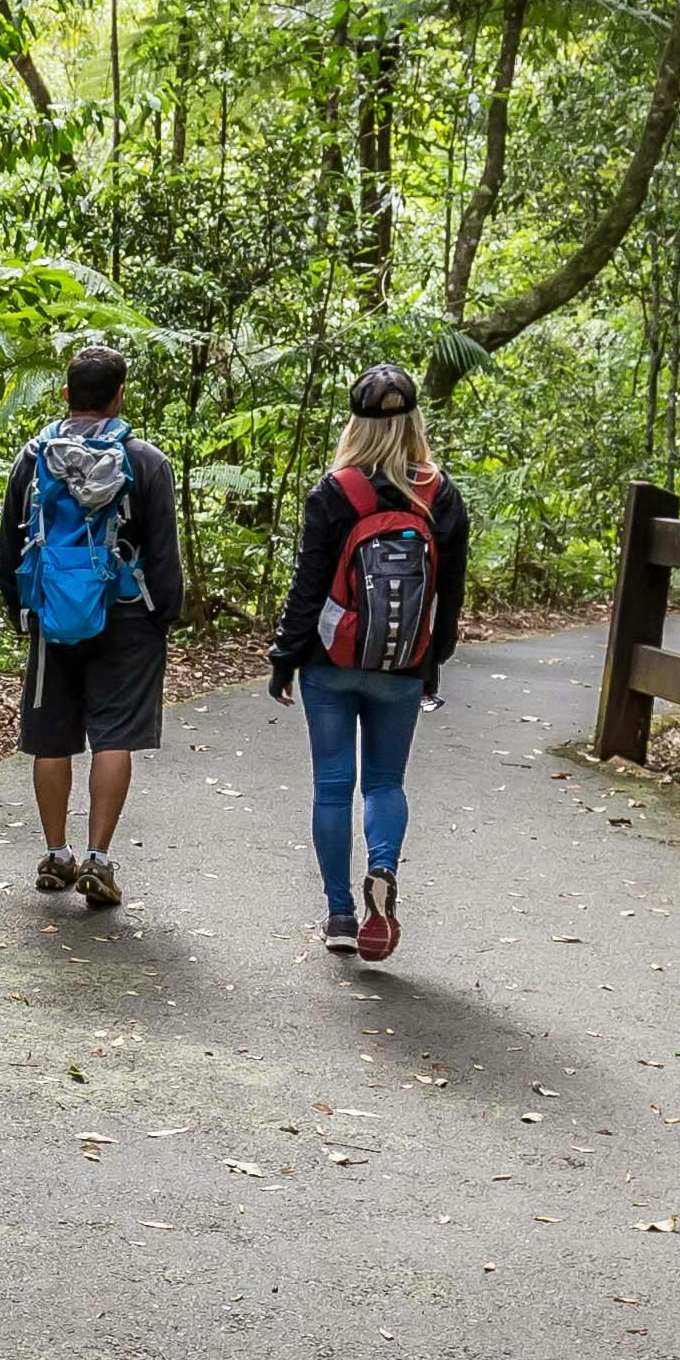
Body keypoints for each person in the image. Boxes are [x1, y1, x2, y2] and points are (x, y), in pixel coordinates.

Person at [263, 363, 471, 960]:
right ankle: (383, 870)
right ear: (414, 422)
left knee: (333, 787)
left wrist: (284, 658)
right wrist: (432, 659)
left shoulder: (335, 492)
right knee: (385, 783)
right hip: (402, 664)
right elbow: (450, 591)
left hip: (329, 659)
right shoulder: (440, 494)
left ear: (355, 424)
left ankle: (340, 916)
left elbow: (308, 587)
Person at [0, 343, 184, 908]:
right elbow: (163, 553)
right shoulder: (145, 461)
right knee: (114, 736)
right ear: (119, 395)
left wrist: (21, 610)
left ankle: (56, 854)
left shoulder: (34, 459)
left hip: (51, 613)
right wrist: (163, 617)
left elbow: (10, 544)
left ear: (65, 394)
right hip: (126, 615)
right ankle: (98, 861)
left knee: (51, 737)